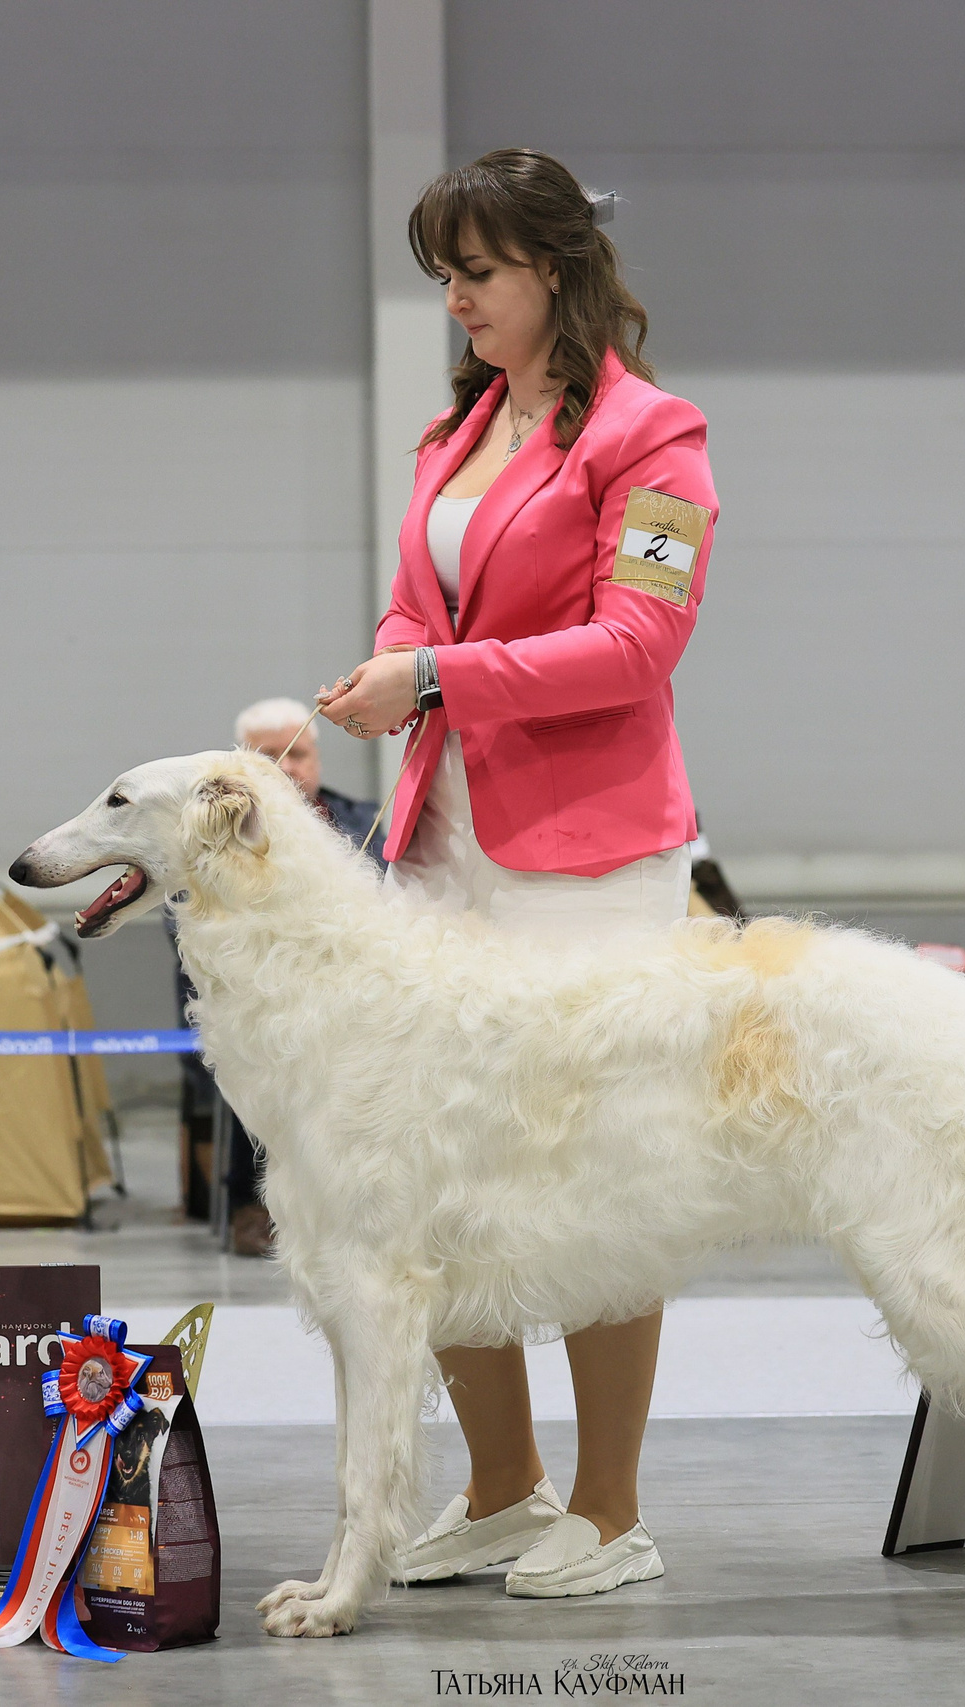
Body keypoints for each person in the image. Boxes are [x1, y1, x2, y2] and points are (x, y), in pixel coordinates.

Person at [315, 147, 717, 1600]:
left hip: (592, 859)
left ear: (555, 265)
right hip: (439, 841)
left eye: (477, 272)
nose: (456, 300)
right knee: (438, 1165)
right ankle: (499, 1486)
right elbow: (414, 603)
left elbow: (639, 643)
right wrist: (390, 665)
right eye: (443, 275)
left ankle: (609, 1511)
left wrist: (435, 675)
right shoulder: (458, 427)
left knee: (600, 1170)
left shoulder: (654, 434)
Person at [171, 698, 377, 1256]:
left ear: (317, 759)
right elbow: (191, 930)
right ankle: (252, 1205)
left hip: (356, 1003)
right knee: (261, 1060)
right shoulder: (211, 836)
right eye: (269, 757)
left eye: (298, 754)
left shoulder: (367, 823)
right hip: (264, 1002)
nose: (287, 768)